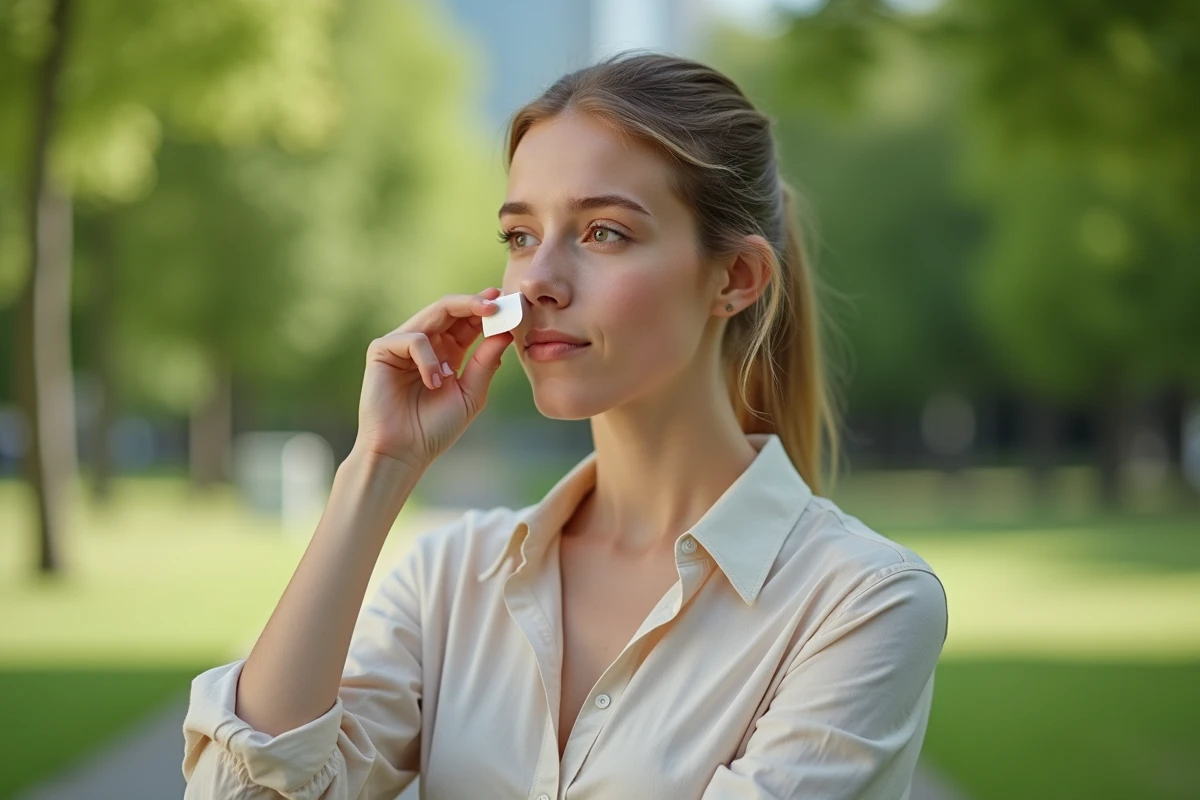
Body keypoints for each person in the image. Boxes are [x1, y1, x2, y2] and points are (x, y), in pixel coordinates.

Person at [181, 51, 948, 800]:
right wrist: (377, 467)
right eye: (520, 237)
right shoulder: (449, 581)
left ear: (736, 279)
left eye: (603, 233)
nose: (538, 280)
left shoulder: (862, 603)